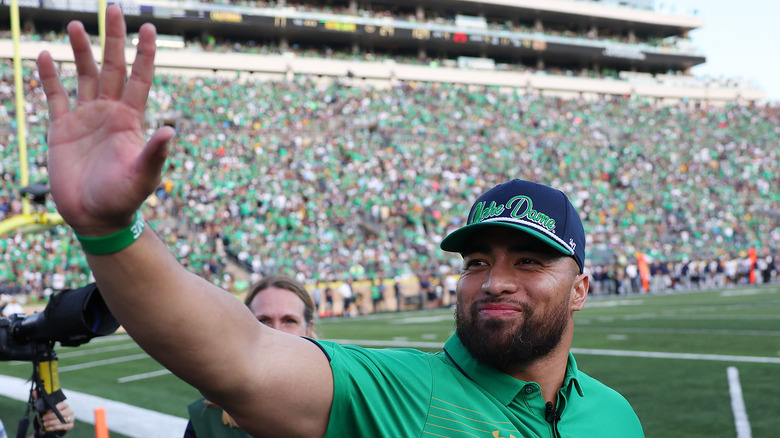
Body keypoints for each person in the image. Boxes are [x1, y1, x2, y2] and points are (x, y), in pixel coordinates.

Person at [37, 6, 643, 437]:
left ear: (581, 288)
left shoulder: (616, 417)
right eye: (477, 261)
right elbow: (240, 356)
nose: (495, 280)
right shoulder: (396, 391)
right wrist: (109, 230)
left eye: (529, 260)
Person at [183, 275, 315, 438]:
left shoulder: (339, 406)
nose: (276, 332)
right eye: (263, 320)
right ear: (245, 327)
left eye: (289, 320)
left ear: (308, 330)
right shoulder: (206, 419)